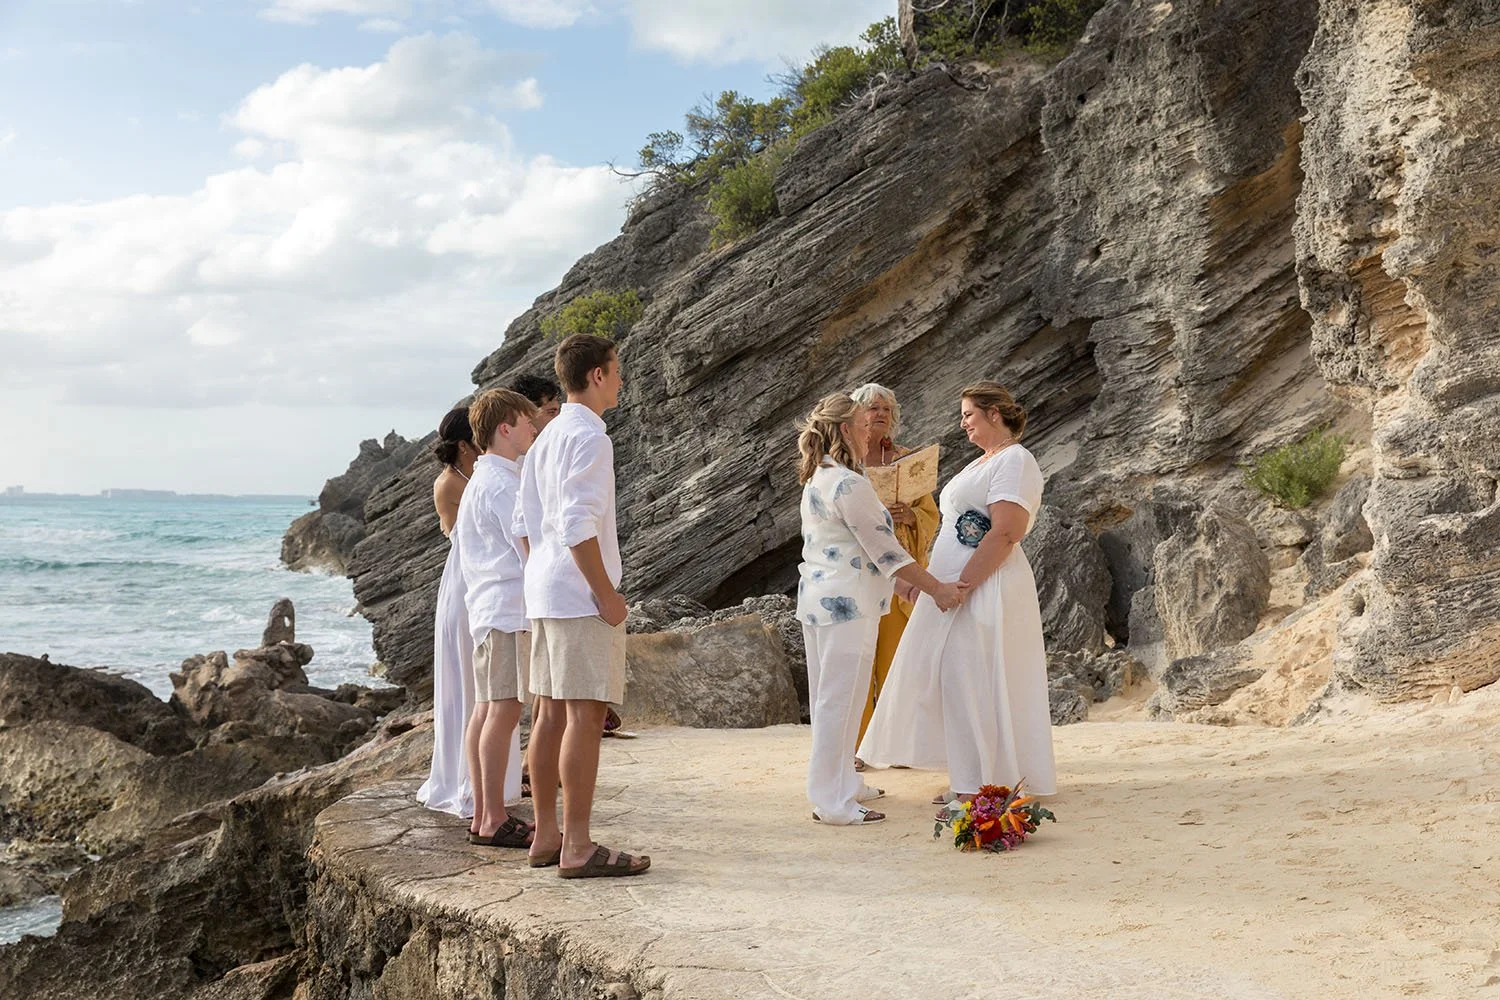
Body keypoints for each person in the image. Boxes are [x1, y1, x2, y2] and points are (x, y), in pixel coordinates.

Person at [858, 382, 1056, 810]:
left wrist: (963, 584)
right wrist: (932, 582)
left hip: (986, 586)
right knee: (953, 679)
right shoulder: (978, 464)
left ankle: (979, 783)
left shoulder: (1015, 460)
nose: (963, 422)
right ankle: (968, 776)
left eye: (968, 414)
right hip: (950, 586)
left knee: (970, 675)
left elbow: (1006, 531)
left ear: (994, 414)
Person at [513, 333, 650, 878]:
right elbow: (577, 524)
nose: (620, 380)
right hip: (577, 593)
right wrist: (606, 595)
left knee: (547, 715)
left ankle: (547, 836)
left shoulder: (544, 438)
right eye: (616, 370)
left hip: (543, 587)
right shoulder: (591, 436)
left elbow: (525, 525)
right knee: (584, 718)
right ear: (597, 375)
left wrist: (544, 575)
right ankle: (579, 846)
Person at [795, 392, 966, 826]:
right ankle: (832, 803)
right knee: (840, 702)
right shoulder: (851, 484)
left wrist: (907, 590)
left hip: (819, 603)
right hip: (848, 607)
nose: (870, 427)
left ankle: (844, 785)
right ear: (848, 430)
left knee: (834, 700)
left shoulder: (820, 476)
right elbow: (885, 551)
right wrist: (935, 589)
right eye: (861, 421)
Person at [455, 389, 539, 848]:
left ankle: (484, 813)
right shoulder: (503, 483)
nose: (532, 428)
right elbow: (526, 548)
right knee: (503, 709)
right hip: (506, 610)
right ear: (505, 427)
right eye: (526, 422)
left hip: (487, 609)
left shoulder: (481, 480)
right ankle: (492, 818)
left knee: (487, 710)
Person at [848, 383, 942, 761]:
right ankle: (854, 749)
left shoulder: (907, 460)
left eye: (887, 409)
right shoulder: (844, 462)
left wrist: (911, 515)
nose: (880, 414)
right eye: (872, 408)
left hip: (902, 578)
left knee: (897, 661)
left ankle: (894, 745)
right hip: (857, 577)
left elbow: (932, 516)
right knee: (857, 664)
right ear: (856, 415)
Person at [416, 408, 482, 821]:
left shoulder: (477, 475)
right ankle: (463, 781)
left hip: (480, 576)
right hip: (465, 581)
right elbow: (461, 537)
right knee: (467, 684)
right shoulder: (449, 485)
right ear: (464, 444)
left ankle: (487, 777)